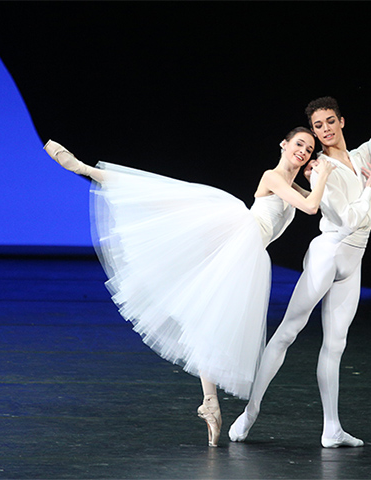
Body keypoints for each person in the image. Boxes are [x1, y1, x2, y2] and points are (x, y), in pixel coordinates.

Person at [43, 127, 336, 447]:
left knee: (208, 320)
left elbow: (320, 204)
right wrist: (322, 172)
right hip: (238, 236)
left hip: (249, 251)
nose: (303, 151)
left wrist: (344, 178)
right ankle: (86, 170)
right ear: (284, 144)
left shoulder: (292, 186)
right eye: (299, 144)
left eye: (309, 149)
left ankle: (210, 402)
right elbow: (311, 206)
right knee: (169, 202)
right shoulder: (273, 176)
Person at [229, 32, 371, 448]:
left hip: (353, 262)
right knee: (288, 332)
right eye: (316, 126)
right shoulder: (317, 167)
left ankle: (331, 428)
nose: (322, 131)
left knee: (335, 345)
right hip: (327, 252)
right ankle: (250, 412)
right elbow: (345, 215)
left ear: (340, 122)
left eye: (327, 123)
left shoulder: (362, 158)